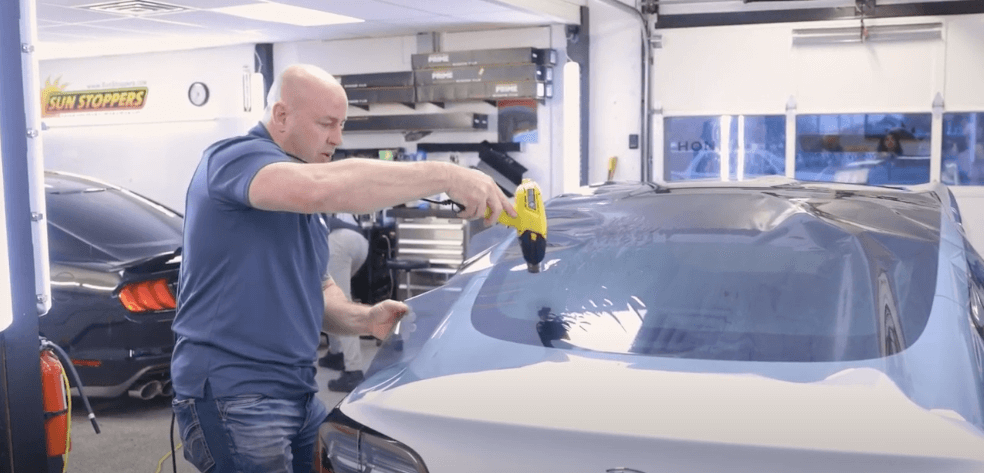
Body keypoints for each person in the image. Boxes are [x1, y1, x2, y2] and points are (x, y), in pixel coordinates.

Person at [170, 64, 516, 473]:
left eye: (342, 124)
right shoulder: (234, 159)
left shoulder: (303, 207)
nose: (337, 137)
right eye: (326, 123)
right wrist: (444, 175)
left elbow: (318, 293)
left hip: (297, 392)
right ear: (281, 116)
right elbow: (319, 188)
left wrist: (365, 319)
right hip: (235, 394)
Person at [321, 213, 369, 392]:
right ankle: (336, 354)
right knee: (330, 297)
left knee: (339, 304)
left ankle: (354, 370)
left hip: (337, 242)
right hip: (359, 241)